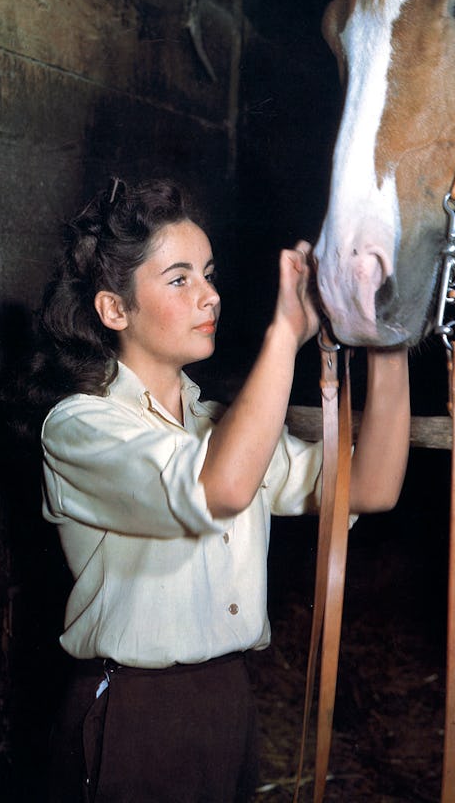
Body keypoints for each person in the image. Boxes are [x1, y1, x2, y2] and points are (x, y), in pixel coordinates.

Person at [35, 178, 410, 803]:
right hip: (136, 711)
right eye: (179, 279)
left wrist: (388, 335)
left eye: (208, 274)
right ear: (114, 309)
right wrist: (283, 335)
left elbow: (369, 487)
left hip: (230, 704)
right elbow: (221, 488)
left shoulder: (219, 427)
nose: (210, 295)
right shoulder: (81, 428)